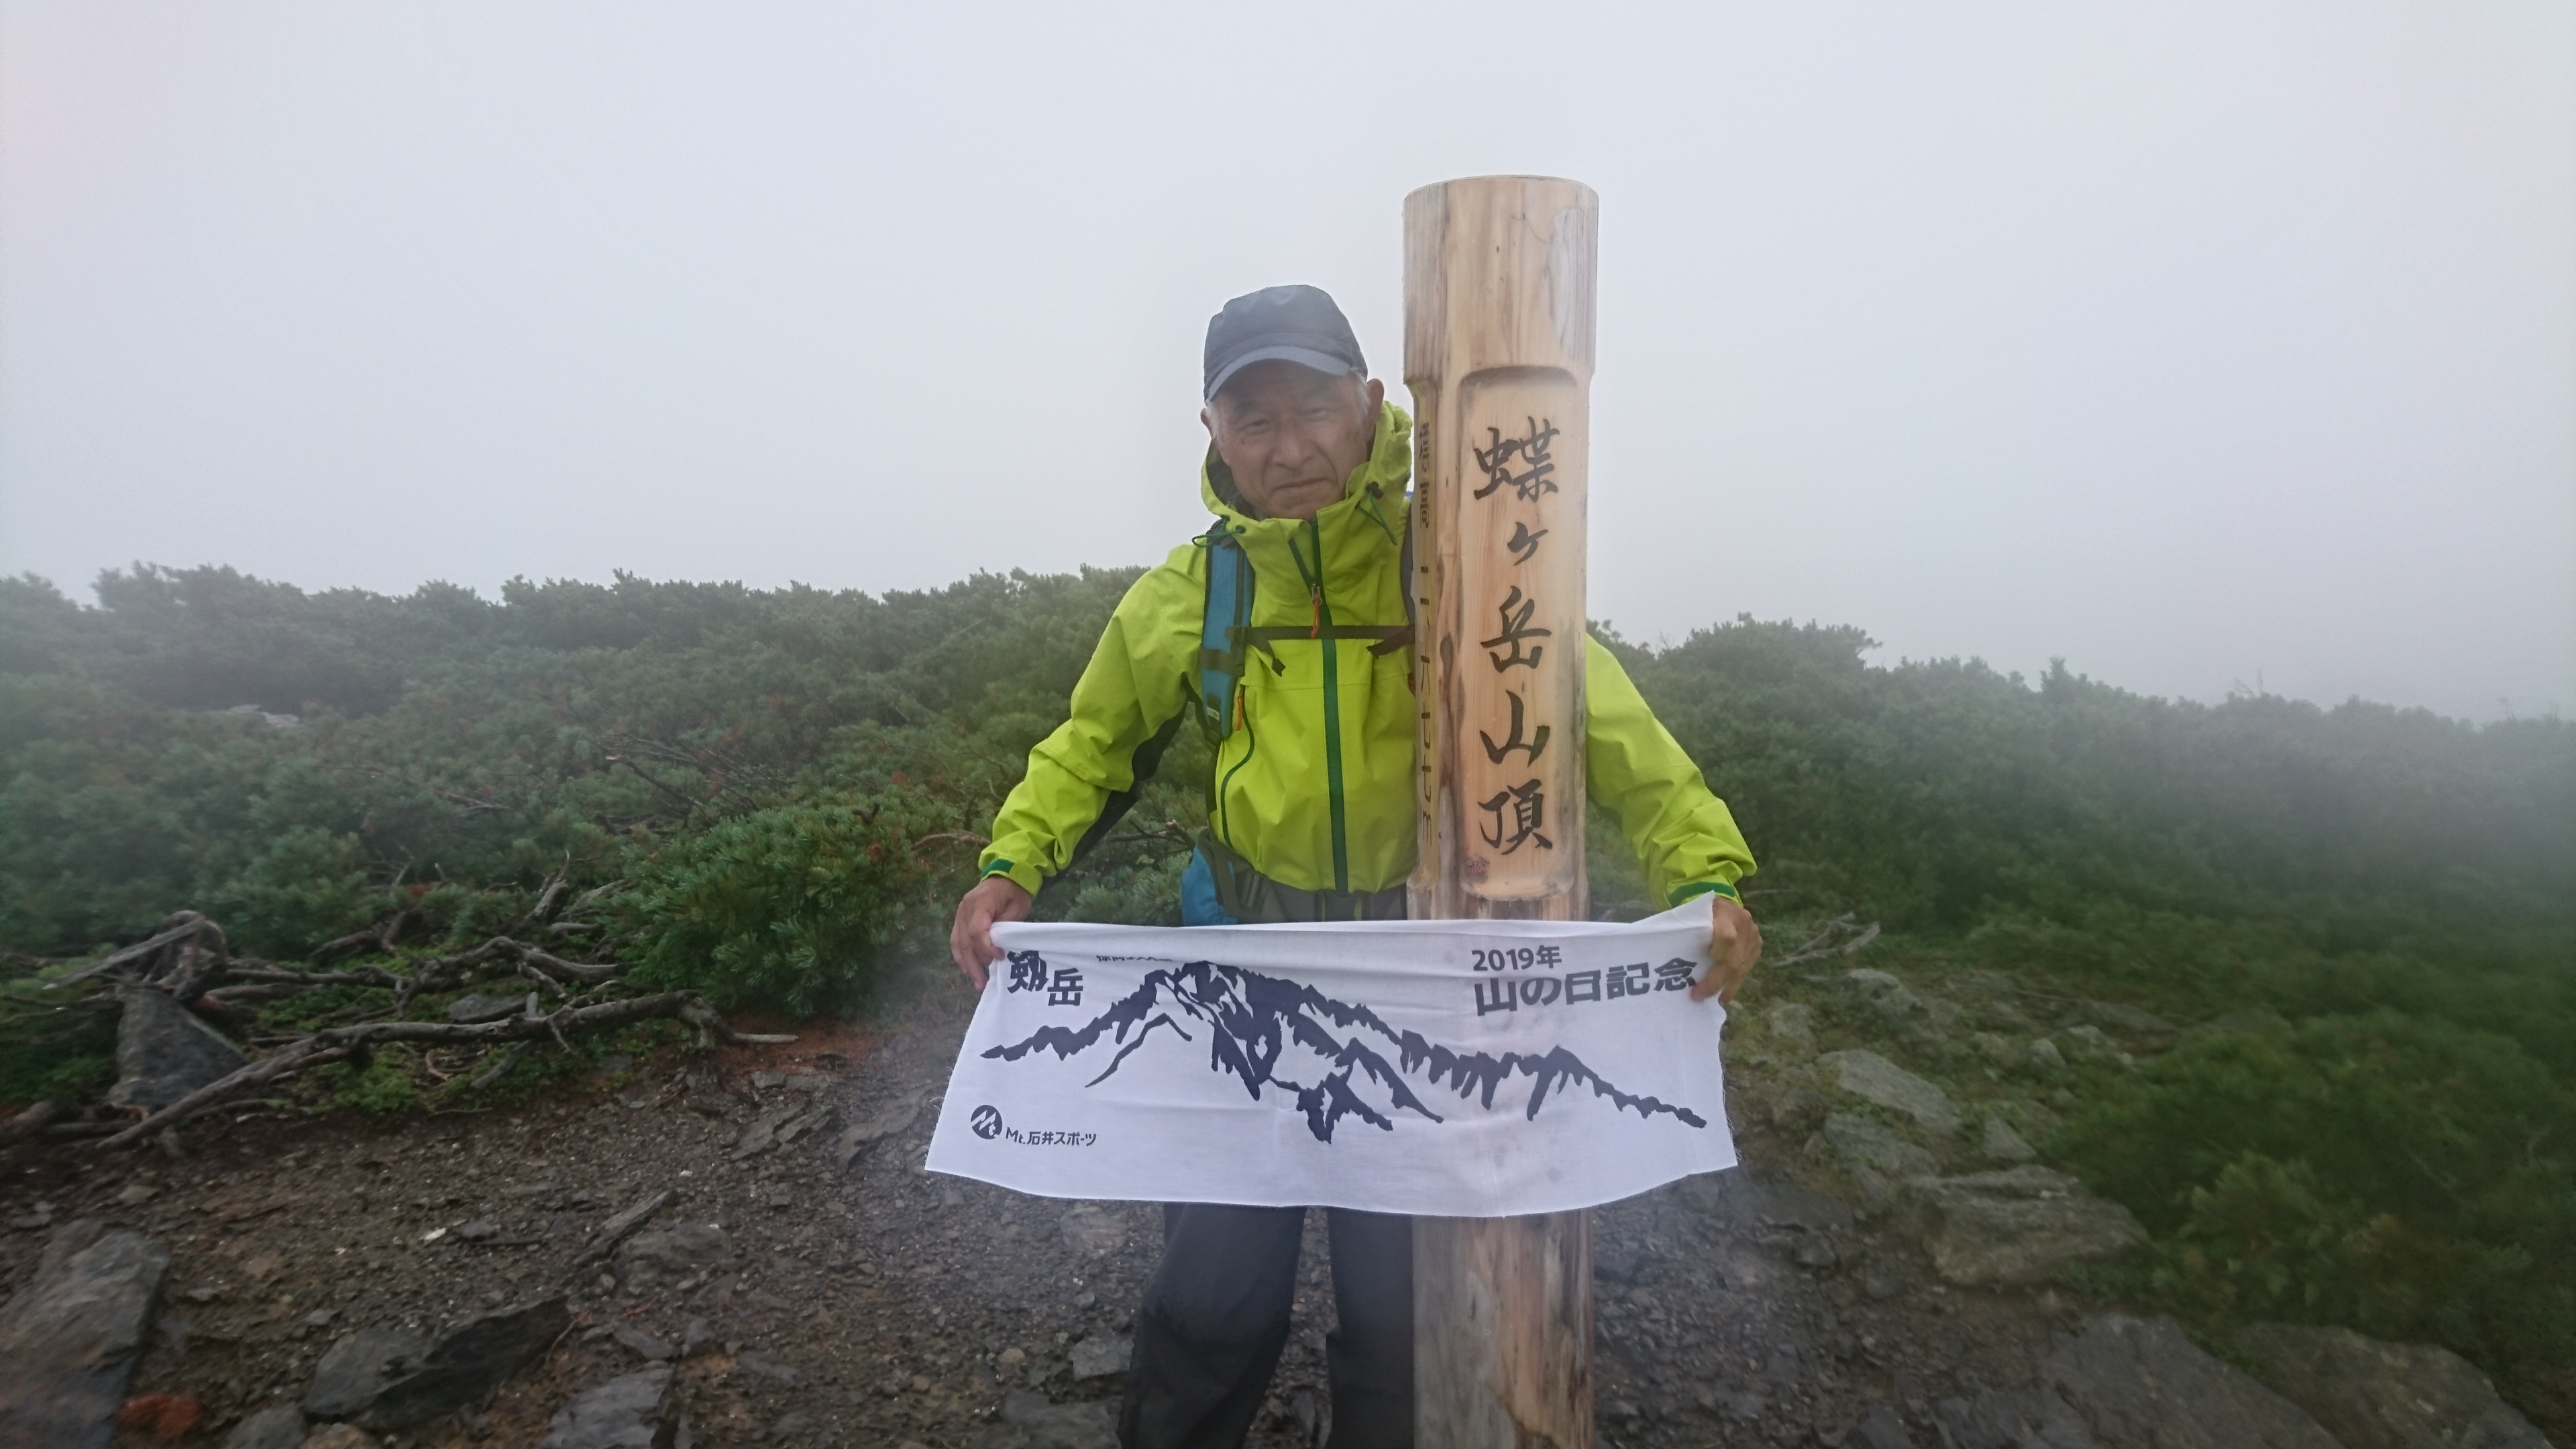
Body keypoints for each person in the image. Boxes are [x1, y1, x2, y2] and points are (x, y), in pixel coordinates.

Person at [949, 284, 1760, 1449]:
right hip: (1240, 969)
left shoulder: (1463, 564)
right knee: (1213, 1296)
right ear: (1213, 433)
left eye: (1316, 409)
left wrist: (1704, 871)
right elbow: (1091, 748)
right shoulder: (1197, 591)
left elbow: (1602, 719)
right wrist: (1012, 862)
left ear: (1373, 405)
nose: (1290, 448)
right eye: (1254, 419)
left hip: (1410, 979)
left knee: (1401, 1311)